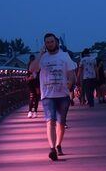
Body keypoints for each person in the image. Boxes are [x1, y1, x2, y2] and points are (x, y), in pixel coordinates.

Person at [28, 33, 76, 161]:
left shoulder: (64, 56)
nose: (50, 44)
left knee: (61, 122)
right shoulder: (42, 58)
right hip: (48, 95)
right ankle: (52, 149)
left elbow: (71, 73)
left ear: (56, 42)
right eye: (47, 42)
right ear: (45, 44)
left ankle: (58, 144)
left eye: (51, 41)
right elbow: (32, 69)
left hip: (63, 94)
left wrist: (70, 82)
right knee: (50, 120)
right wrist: (40, 54)